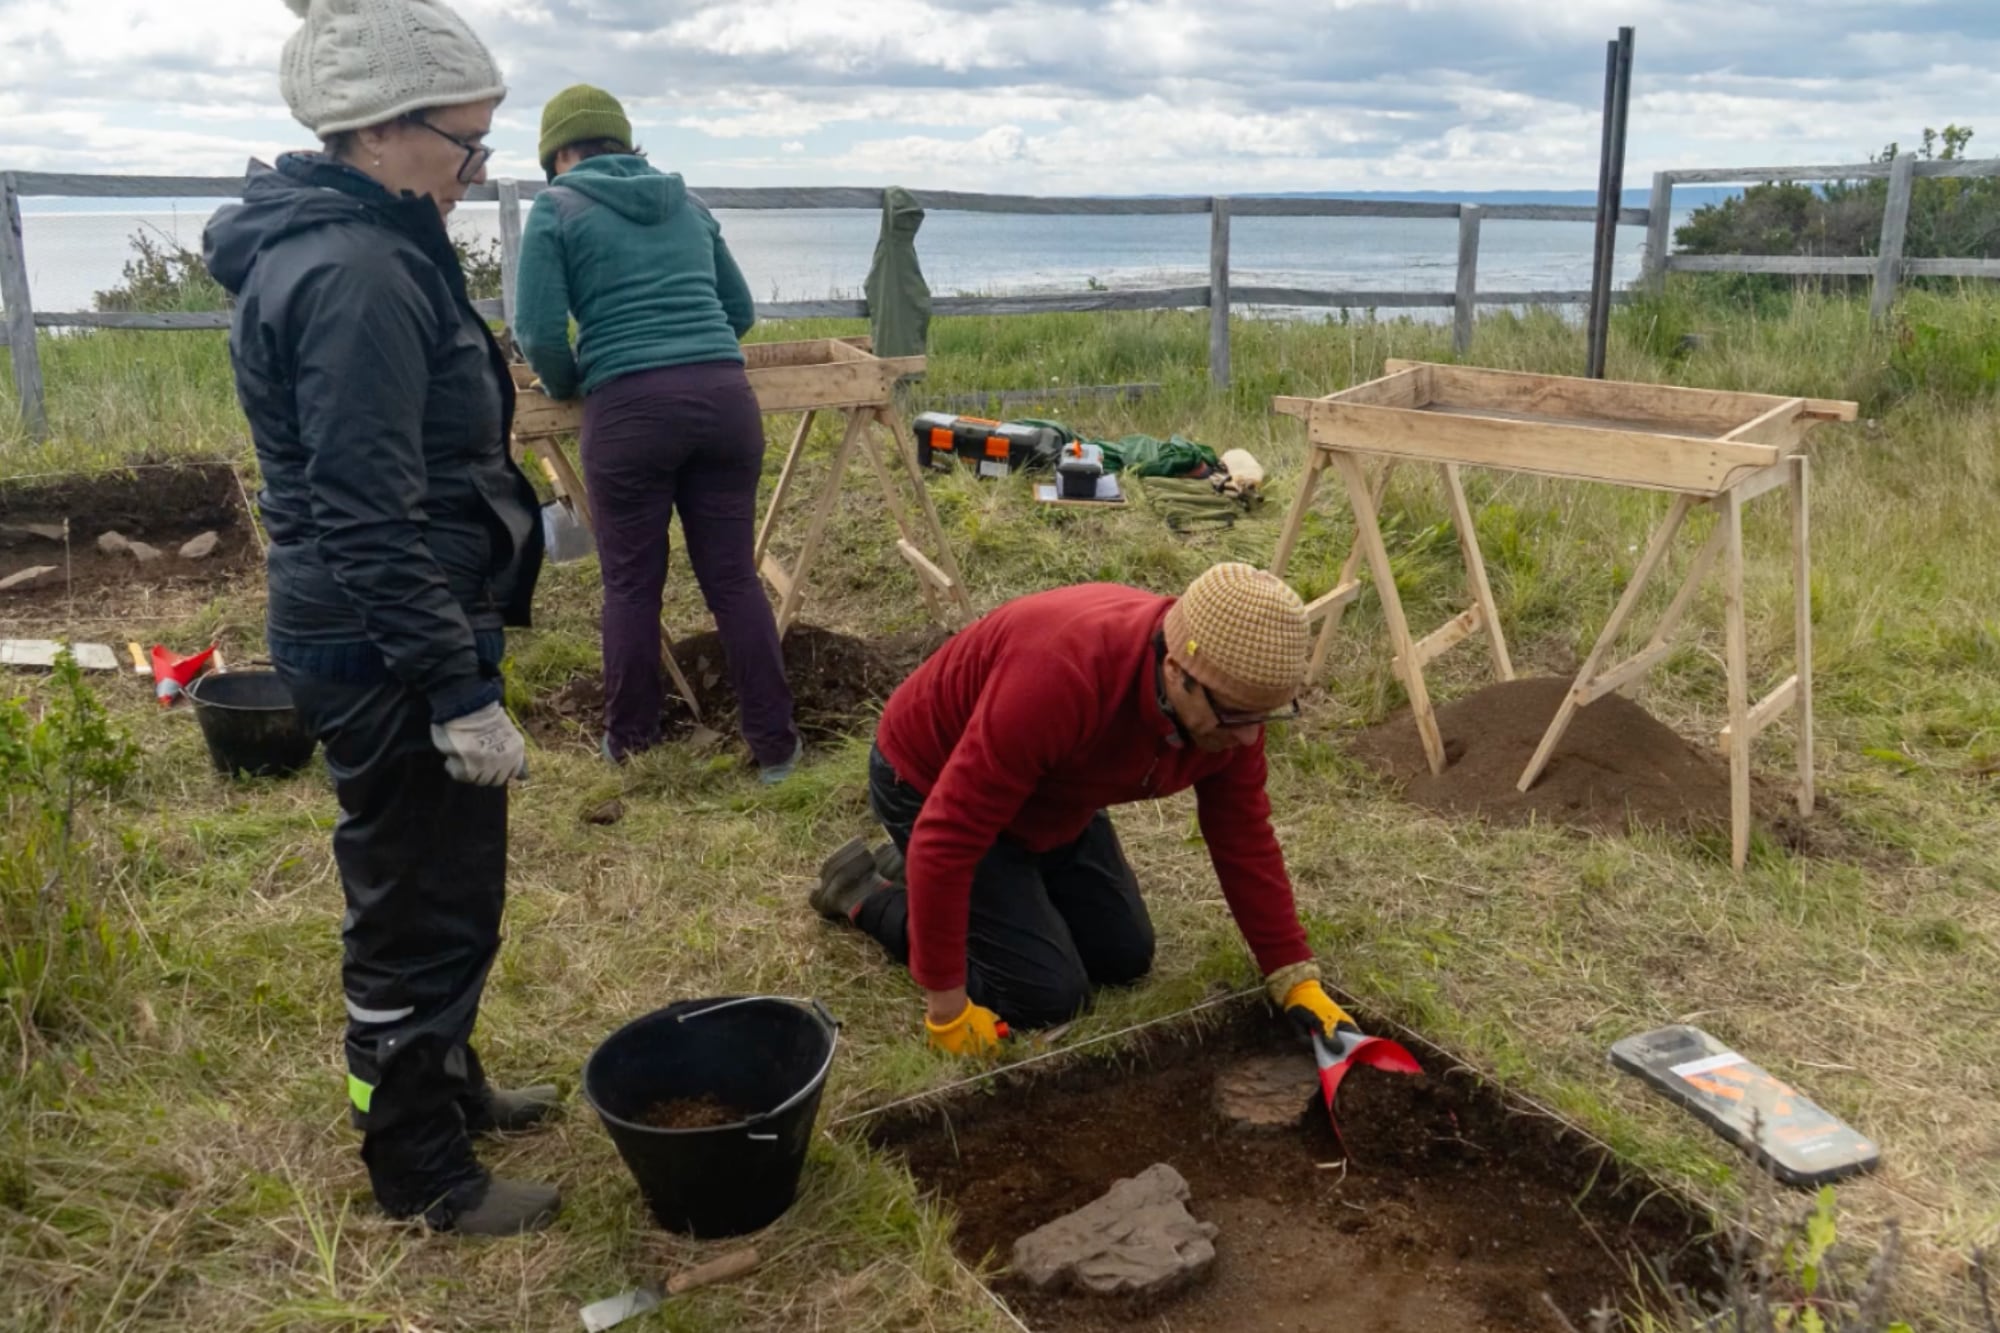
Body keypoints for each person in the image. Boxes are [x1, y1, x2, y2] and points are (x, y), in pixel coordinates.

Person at [204, 0, 558, 1235]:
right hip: (386, 641)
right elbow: (366, 515)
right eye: (466, 145)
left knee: (447, 889)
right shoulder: (354, 277)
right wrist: (454, 687)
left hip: (398, 625)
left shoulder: (371, 241)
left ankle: (446, 1085)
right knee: (416, 910)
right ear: (378, 130)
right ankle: (419, 1169)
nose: (476, 171)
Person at [809, 563, 1366, 1056]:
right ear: (1176, 672)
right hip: (930, 782)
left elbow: (1242, 832)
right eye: (1237, 718)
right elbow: (948, 835)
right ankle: (866, 894)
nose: (1249, 740)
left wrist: (1293, 975)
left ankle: (938, 881)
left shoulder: (1235, 698)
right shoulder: (1062, 674)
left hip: (1055, 796)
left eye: (1265, 718)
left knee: (1124, 957)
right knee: (1046, 996)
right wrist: (947, 1011)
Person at [514, 85, 800, 777]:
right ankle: (777, 748)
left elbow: (538, 331)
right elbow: (739, 311)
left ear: (561, 153)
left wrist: (569, 383)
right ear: (625, 142)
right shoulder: (689, 204)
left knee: (633, 585)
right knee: (733, 578)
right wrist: (693, 353)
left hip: (629, 413)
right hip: (726, 403)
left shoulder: (555, 207)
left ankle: (633, 743)